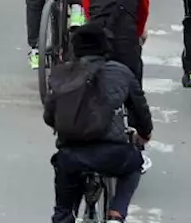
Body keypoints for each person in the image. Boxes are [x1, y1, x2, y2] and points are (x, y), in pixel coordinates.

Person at [45, 24, 152, 223]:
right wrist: (144, 134)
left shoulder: (62, 75)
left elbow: (49, 116)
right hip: (113, 155)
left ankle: (65, 216)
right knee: (137, 162)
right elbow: (140, 110)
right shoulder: (121, 73)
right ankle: (116, 213)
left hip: (71, 157)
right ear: (105, 47)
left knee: (63, 210)